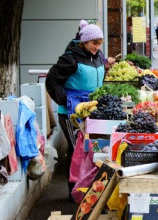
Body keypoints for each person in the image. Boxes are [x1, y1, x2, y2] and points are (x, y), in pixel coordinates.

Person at [46, 20, 115, 198]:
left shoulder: (98, 56)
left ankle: (90, 188)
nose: (97, 47)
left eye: (99, 44)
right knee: (77, 148)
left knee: (93, 149)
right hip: (72, 114)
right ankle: (74, 190)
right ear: (84, 41)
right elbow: (51, 81)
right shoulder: (70, 58)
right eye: (94, 43)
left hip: (93, 111)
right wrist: (67, 100)